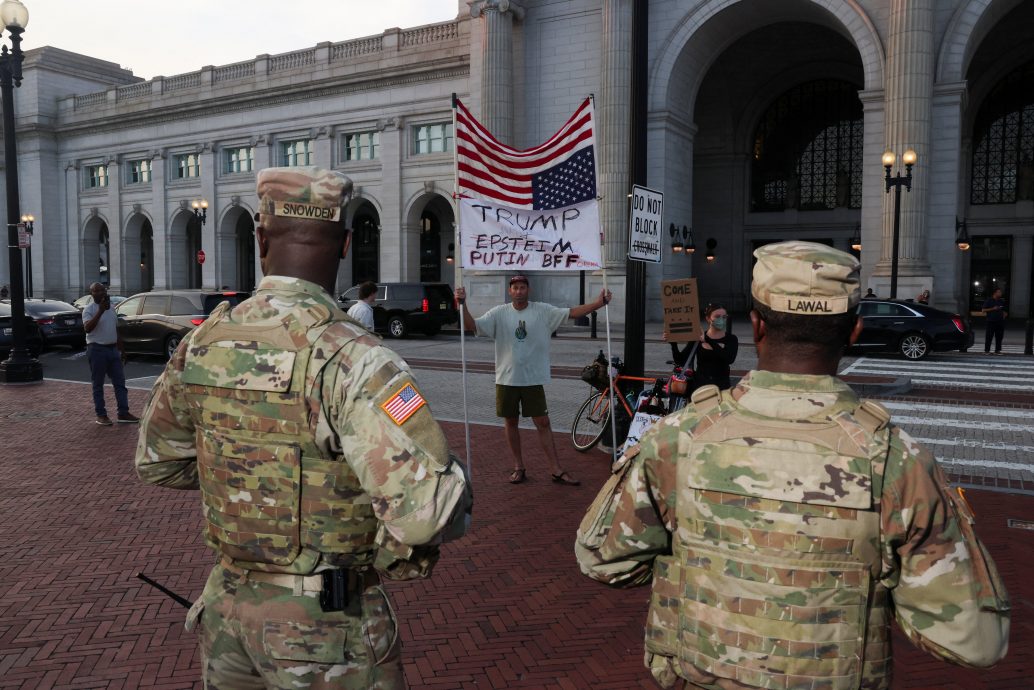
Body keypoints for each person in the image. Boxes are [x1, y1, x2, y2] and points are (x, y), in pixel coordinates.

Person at [576, 240, 1010, 690]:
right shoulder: (898, 462)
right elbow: (975, 640)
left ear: (757, 326)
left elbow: (601, 559)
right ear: (854, 331)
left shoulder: (674, 440)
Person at [135, 167, 471, 688]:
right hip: (324, 632)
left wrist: (252, 481)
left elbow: (158, 463)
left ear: (260, 238)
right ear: (344, 246)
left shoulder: (202, 343)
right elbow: (424, 514)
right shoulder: (353, 357)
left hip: (228, 615)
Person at [455, 275, 611, 485]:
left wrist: (598, 303)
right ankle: (519, 467)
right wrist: (462, 304)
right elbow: (471, 326)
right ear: (510, 291)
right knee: (510, 422)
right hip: (506, 379)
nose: (519, 291)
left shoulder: (542, 311)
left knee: (543, 423)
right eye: (515, 288)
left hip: (533, 379)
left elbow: (571, 313)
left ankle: (556, 469)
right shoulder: (499, 313)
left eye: (522, 287)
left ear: (528, 290)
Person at [82, 282, 137, 426]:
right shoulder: (89, 309)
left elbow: (115, 330)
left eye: (102, 290)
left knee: (120, 383)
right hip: (97, 350)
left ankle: (123, 412)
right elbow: (87, 328)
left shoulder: (112, 309)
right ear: (91, 294)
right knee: (98, 384)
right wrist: (100, 311)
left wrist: (122, 351)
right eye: (96, 291)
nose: (100, 293)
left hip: (113, 350)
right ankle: (101, 415)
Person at [667, 303, 738, 390]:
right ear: (708, 319)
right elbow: (681, 360)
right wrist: (673, 344)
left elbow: (729, 358)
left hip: (721, 387)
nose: (721, 320)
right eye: (717, 316)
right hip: (700, 387)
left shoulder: (731, 339)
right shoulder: (698, 338)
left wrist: (708, 340)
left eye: (724, 317)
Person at [982, 287, 1007, 355]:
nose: (1000, 293)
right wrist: (993, 308)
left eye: (1000, 292)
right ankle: (987, 350)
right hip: (991, 321)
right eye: (999, 292)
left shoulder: (1001, 301)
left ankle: (997, 350)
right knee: (989, 336)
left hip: (1000, 321)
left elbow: (1004, 310)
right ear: (995, 293)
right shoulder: (989, 300)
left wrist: (1004, 314)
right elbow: (983, 310)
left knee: (999, 336)